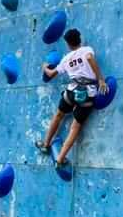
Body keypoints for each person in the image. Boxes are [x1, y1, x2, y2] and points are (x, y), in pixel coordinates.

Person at [37, 28, 108, 168]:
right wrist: (101, 79)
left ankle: (46, 145)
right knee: (75, 127)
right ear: (80, 39)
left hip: (71, 92)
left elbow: (51, 74)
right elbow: (89, 58)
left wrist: (45, 67)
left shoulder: (66, 59)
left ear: (68, 44)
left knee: (58, 115)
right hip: (88, 94)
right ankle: (60, 159)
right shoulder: (86, 50)